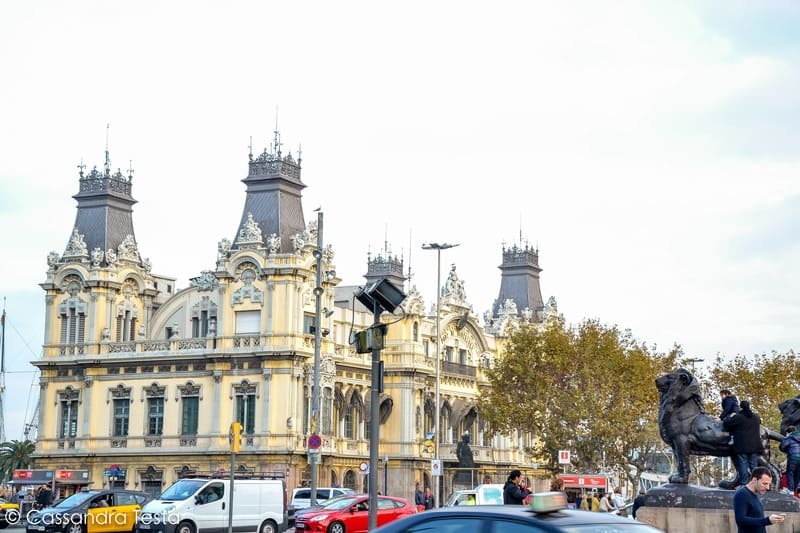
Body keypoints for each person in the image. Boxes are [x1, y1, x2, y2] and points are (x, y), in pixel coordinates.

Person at [733, 466, 785, 532]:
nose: (768, 488)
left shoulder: (755, 494)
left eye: (768, 484)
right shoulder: (742, 494)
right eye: (765, 483)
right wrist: (767, 520)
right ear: (754, 480)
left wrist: (770, 520)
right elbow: (740, 520)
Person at [723, 400, 763, 485]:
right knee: (754, 467)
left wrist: (730, 416)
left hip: (742, 446)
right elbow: (759, 422)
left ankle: (744, 484)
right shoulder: (756, 417)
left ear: (741, 408)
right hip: (754, 446)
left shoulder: (738, 417)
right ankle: (757, 484)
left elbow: (726, 424)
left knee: (743, 466)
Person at [779, 425, 800, 495]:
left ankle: (790, 490)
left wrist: (785, 438)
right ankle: (794, 489)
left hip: (793, 457)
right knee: (798, 474)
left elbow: (782, 446)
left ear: (789, 432)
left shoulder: (789, 437)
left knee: (790, 472)